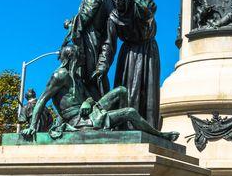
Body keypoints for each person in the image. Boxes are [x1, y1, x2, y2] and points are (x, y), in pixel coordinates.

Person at [26, 44, 177, 142]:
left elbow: (90, 99)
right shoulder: (60, 75)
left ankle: (121, 130)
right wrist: (33, 126)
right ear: (72, 57)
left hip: (89, 112)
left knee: (122, 91)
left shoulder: (76, 77)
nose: (83, 59)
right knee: (130, 112)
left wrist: (87, 102)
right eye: (80, 55)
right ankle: (159, 135)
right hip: (79, 121)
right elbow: (42, 100)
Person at [96, 0, 162, 129]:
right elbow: (109, 43)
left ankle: (147, 128)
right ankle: (124, 127)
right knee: (127, 91)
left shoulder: (139, 10)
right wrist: (103, 64)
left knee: (147, 92)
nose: (117, 2)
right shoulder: (113, 16)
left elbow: (150, 10)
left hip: (147, 52)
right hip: (128, 55)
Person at [64, 0, 113, 101]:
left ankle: (95, 106)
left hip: (90, 40)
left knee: (86, 75)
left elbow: (85, 16)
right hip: (101, 40)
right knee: (96, 77)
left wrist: (70, 23)